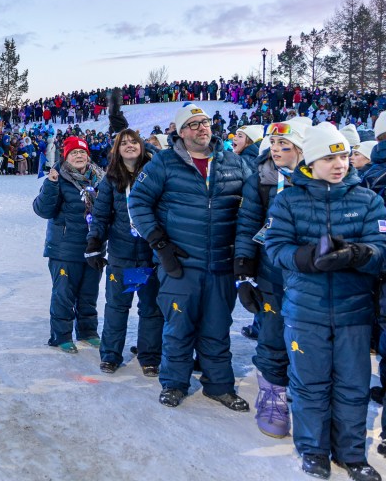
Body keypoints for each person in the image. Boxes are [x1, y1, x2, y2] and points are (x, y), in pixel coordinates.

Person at [266, 123, 386, 481]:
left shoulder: (369, 200)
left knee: (353, 384)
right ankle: (313, 450)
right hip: (306, 310)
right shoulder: (287, 199)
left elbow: (381, 252)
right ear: (312, 161)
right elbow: (275, 248)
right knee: (310, 383)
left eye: (345, 155)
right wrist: (307, 258)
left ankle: (351, 454)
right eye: (330, 157)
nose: (340, 164)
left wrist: (358, 253)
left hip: (354, 311)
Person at [128, 103, 251, 411]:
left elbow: (253, 205)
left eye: (205, 122)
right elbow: (139, 202)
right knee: (178, 328)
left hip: (221, 263)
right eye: (193, 124)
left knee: (217, 327)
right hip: (180, 263)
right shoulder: (164, 163)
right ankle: (174, 383)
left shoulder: (233, 162)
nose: (202, 128)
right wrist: (159, 243)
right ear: (181, 132)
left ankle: (219, 385)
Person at [233, 119, 309, 439]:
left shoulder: (317, 177)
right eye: (274, 144)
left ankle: (308, 401)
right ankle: (273, 398)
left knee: (308, 340)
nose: (277, 150)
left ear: (301, 149)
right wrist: (244, 268)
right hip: (271, 271)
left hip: (309, 273)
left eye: (285, 145)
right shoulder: (260, 178)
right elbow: (248, 222)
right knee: (273, 335)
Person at [86, 129, 162, 376]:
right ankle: (110, 355)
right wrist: (94, 242)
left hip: (150, 255)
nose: (129, 146)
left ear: (142, 146)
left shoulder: (154, 174)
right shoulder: (110, 179)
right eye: (124, 143)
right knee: (117, 307)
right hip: (122, 255)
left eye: (134, 142)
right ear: (117, 150)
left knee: (151, 309)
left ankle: (150, 356)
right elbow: (100, 215)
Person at [32, 136, 104, 353]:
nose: (79, 156)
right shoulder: (58, 178)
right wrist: (51, 184)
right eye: (74, 153)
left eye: (82, 152)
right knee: (64, 294)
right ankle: (61, 336)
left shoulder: (100, 178)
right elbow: (42, 210)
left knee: (89, 293)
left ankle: (88, 331)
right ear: (66, 157)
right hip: (64, 248)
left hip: (93, 247)